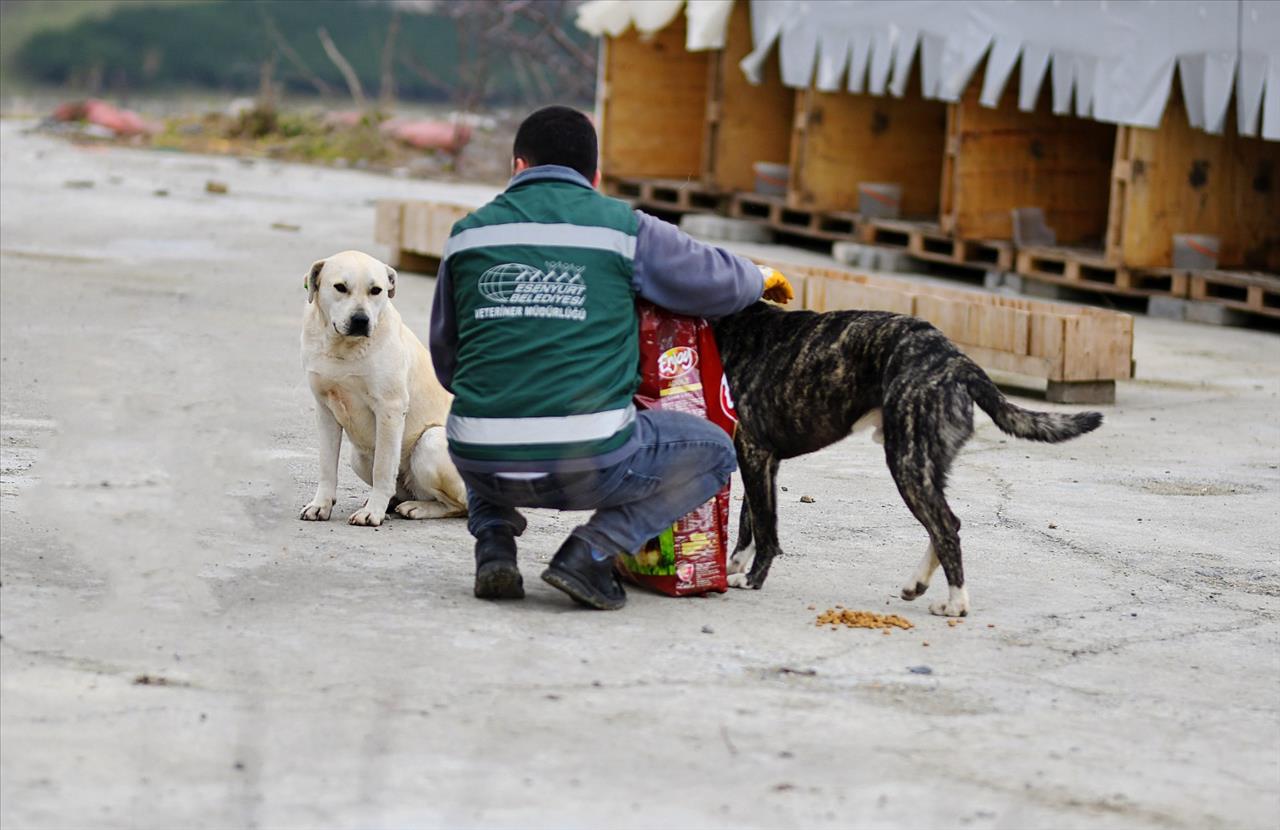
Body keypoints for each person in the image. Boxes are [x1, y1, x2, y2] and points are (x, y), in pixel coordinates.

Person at [429, 105, 792, 610]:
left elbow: (449, 366)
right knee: (716, 452)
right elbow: (716, 280)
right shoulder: (623, 228)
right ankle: (589, 553)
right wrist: (760, 276)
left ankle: (494, 547)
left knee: (489, 409)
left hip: (482, 461)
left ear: (518, 167)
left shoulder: (468, 234)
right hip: (590, 466)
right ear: (594, 177)